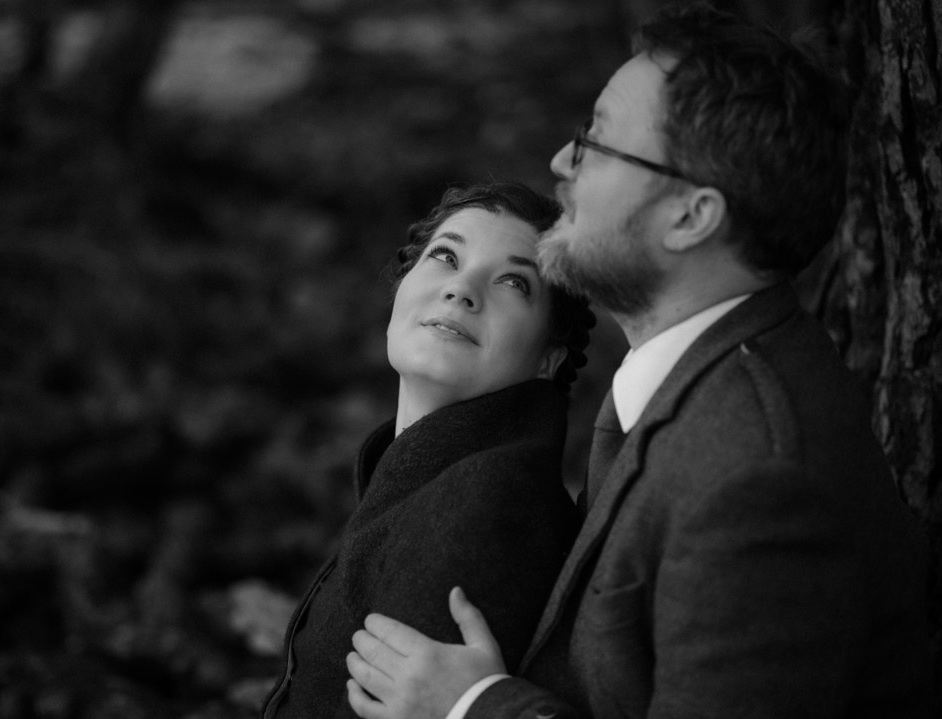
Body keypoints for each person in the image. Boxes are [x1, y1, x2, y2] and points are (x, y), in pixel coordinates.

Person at [345, 4, 935, 718]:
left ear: (691, 217)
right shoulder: (692, 371)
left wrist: (473, 705)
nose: (563, 163)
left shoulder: (759, 480)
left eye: (597, 142)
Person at [260, 181, 597, 719]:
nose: (461, 289)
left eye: (513, 281)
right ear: (402, 286)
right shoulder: (436, 472)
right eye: (445, 256)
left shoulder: (483, 504)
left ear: (548, 361)